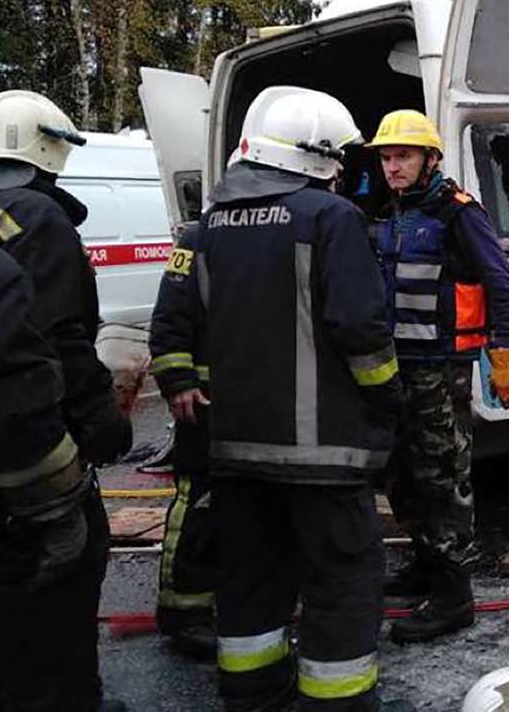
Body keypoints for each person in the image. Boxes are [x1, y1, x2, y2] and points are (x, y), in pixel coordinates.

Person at [161, 86, 410, 710]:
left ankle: (252, 694)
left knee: (248, 580)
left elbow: (176, 319)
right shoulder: (330, 219)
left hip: (235, 452)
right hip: (324, 456)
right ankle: (337, 700)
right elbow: (362, 332)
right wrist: (389, 404)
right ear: (319, 156)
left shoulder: (205, 228)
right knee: (341, 580)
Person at [0, 72, 120, 712]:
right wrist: (99, 433)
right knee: (56, 598)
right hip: (9, 472)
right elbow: (57, 346)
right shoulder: (39, 219)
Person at [366, 109, 509, 643]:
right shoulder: (387, 214)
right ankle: (424, 566)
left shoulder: (459, 214)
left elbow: (504, 287)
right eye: (386, 157)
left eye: (403, 156)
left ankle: (454, 595)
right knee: (401, 477)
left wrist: (504, 357)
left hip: (440, 370)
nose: (393, 167)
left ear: (430, 159)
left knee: (442, 480)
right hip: (395, 370)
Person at [148, 223, 218, 659]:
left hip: (265, 403)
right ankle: (183, 611)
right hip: (207, 402)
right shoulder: (197, 239)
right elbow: (170, 316)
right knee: (199, 504)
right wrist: (177, 380)